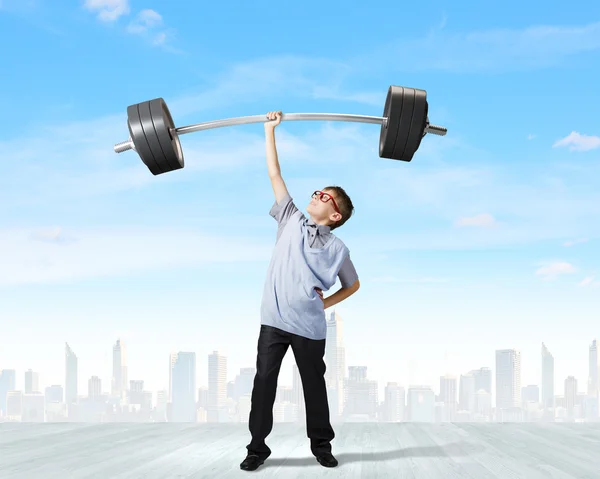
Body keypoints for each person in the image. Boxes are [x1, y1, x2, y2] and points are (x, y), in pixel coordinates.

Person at [240, 111, 360, 471]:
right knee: (264, 383)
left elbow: (353, 284)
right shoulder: (290, 217)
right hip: (273, 322)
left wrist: (327, 302)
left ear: (335, 214)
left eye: (324, 196)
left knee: (313, 387)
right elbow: (275, 173)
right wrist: (269, 131)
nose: (316, 195)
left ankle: (321, 445)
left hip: (309, 327)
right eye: (316, 191)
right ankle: (257, 448)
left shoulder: (338, 248)